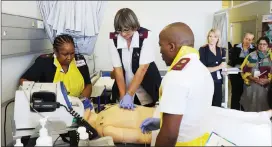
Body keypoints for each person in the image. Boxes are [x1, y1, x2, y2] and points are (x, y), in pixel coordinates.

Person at [139, 22, 214, 146]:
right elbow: (193, 112)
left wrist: (166, 126)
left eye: (160, 46)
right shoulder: (202, 69)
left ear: (171, 47)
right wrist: (161, 122)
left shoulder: (177, 76)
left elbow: (169, 135)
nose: (160, 51)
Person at [19, 34, 93, 115]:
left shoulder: (79, 61)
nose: (69, 57)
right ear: (55, 51)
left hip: (78, 108)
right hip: (54, 110)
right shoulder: (45, 62)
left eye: (72, 53)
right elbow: (23, 81)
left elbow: (88, 84)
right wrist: (44, 91)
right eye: (65, 54)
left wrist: (80, 102)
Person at [109, 8, 161, 110]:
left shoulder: (146, 36)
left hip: (146, 87)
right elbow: (118, 70)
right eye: (120, 30)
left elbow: (143, 68)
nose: (123, 34)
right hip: (124, 86)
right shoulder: (113, 39)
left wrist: (130, 95)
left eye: (126, 29)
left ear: (134, 26)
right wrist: (124, 96)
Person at [240, 36, 272, 112]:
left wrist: (268, 80)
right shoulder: (252, 55)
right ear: (257, 45)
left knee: (264, 109)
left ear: (268, 45)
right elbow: (244, 70)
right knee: (251, 108)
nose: (262, 46)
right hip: (251, 84)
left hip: (267, 86)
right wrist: (251, 78)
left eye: (264, 44)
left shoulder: (271, 57)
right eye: (260, 44)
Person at [199, 29, 227, 107]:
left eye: (215, 36)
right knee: (207, 105)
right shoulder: (203, 50)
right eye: (210, 36)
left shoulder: (221, 50)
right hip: (207, 81)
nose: (212, 38)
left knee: (217, 105)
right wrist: (219, 67)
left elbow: (223, 66)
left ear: (218, 38)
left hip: (218, 81)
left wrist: (224, 70)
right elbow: (203, 69)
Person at [228, 32, 256, 110]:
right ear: (243, 38)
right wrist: (246, 60)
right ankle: (234, 112)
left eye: (250, 40)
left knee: (246, 95)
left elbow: (254, 61)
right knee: (235, 95)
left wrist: (241, 60)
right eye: (246, 39)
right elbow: (233, 61)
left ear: (252, 41)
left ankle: (244, 113)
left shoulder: (254, 49)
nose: (247, 41)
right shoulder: (235, 47)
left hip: (248, 75)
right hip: (236, 74)